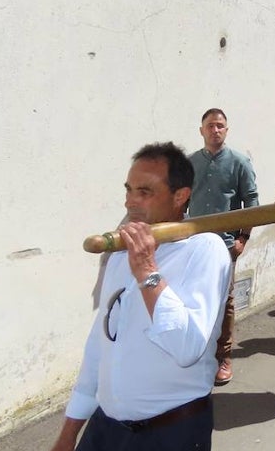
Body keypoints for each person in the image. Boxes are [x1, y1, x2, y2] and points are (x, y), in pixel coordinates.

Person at [50, 142, 231, 451]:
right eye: (129, 190)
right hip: (106, 428)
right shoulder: (121, 254)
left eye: (145, 192)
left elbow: (186, 347)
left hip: (171, 432)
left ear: (180, 196)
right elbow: (101, 345)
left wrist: (147, 270)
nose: (131, 202)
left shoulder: (205, 250)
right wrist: (69, 432)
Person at [186, 108, 260, 386]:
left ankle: (223, 358)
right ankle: (196, 354)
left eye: (220, 126)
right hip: (193, 244)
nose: (215, 130)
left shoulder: (239, 161)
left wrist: (243, 238)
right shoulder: (191, 162)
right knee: (193, 298)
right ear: (201, 130)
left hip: (224, 245)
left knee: (224, 302)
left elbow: (251, 201)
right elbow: (180, 200)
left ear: (226, 130)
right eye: (210, 126)